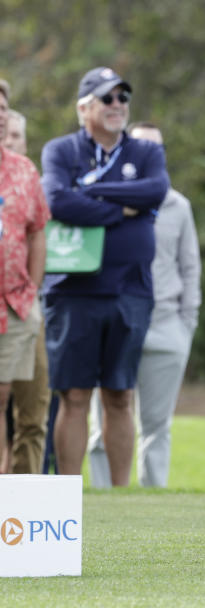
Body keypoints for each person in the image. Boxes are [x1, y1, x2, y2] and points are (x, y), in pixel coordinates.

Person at [40, 67, 169, 484]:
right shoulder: (60, 151)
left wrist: (91, 191)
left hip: (130, 290)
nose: (118, 106)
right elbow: (58, 201)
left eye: (122, 98)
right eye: (107, 98)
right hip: (72, 292)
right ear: (84, 108)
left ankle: (119, 496)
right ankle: (69, 493)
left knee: (119, 395)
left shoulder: (146, 153)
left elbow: (155, 191)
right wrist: (121, 210)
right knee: (74, 395)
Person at [87, 122, 201, 487]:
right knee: (102, 418)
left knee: (155, 427)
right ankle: (103, 499)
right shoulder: (105, 201)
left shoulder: (178, 206)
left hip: (166, 324)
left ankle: (151, 506)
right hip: (113, 320)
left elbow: (190, 269)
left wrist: (186, 326)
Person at [0, 100, 55, 475]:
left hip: (19, 305)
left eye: (3, 108)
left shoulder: (23, 170)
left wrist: (31, 289)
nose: (1, 115)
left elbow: (37, 232)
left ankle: (20, 509)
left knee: (32, 410)